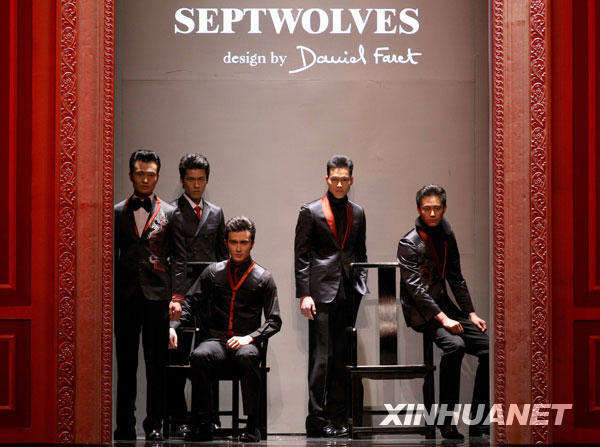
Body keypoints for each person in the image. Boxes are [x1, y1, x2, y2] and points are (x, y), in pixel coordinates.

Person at [171, 216, 282, 442]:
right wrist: (173, 326)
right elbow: (190, 303)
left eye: (243, 242)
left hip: (246, 343)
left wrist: (249, 338)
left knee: (247, 357)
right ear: (226, 243)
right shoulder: (213, 272)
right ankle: (204, 422)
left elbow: (274, 321)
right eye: (233, 242)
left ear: (252, 243)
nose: (238, 248)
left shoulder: (264, 278)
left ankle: (252, 425)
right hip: (217, 341)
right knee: (199, 356)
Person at [397, 184, 489, 440]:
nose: (432, 213)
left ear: (444, 208)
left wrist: (470, 313)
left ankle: (478, 421)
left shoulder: (447, 235)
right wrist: (444, 319)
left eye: (437, 208)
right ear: (419, 209)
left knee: (489, 349)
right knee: (455, 346)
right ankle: (446, 422)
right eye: (427, 208)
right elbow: (415, 290)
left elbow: (456, 278)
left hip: (444, 306)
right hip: (421, 312)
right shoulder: (408, 242)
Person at [113, 149, 185, 441]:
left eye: (151, 174)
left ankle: (154, 423)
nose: (145, 179)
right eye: (140, 174)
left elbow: (179, 258)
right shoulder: (117, 211)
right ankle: (124, 425)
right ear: (131, 175)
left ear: (158, 176)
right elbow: (110, 257)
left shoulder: (171, 213)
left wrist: (177, 297)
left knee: (157, 365)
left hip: (157, 296)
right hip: (125, 297)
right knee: (126, 363)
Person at [294, 155, 368, 438]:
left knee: (341, 358)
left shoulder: (358, 212)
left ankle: (337, 417)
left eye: (344, 179)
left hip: (348, 293)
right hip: (320, 293)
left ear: (351, 180)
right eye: (334, 179)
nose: (339, 184)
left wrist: (360, 284)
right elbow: (301, 256)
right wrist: (304, 294)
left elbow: (360, 253)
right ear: (327, 179)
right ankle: (316, 419)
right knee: (321, 358)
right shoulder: (310, 211)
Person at [168, 154, 228, 437]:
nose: (196, 184)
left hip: (210, 293)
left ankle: (208, 417)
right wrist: (177, 295)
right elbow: (174, 258)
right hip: (181, 291)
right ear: (182, 180)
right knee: (179, 357)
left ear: (207, 180)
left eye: (201, 179)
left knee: (209, 355)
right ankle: (179, 417)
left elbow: (222, 256)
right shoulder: (171, 212)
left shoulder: (216, 213)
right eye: (191, 179)